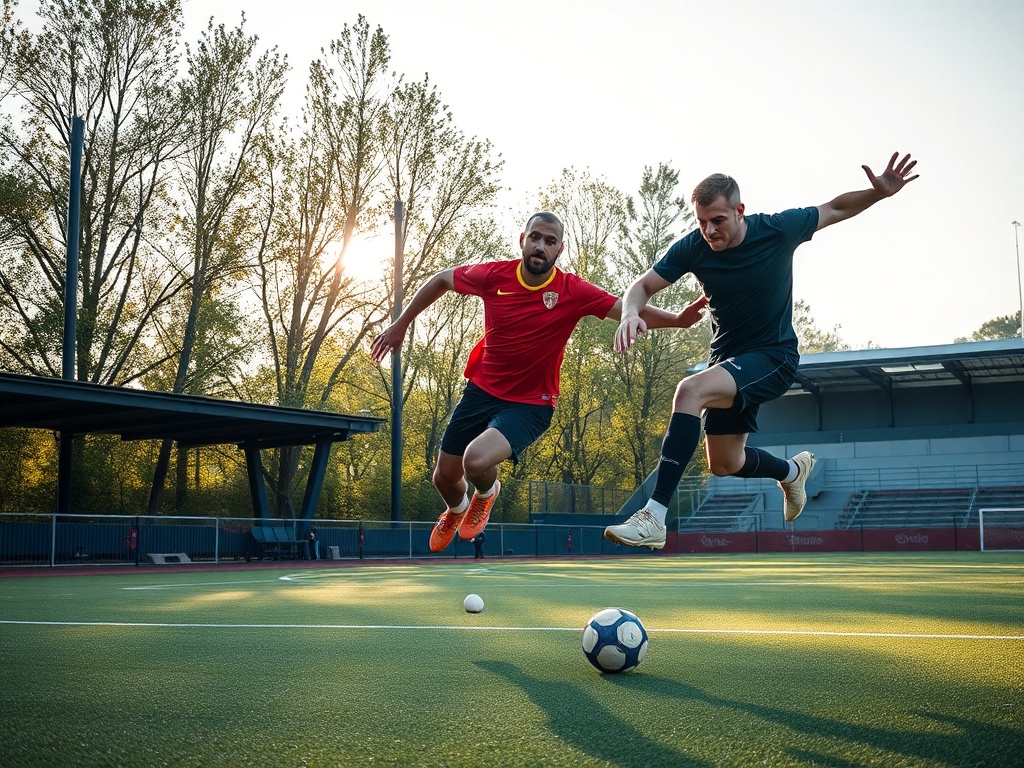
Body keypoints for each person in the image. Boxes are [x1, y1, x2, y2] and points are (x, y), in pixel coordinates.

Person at [605, 152, 919, 550]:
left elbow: (836, 207)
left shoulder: (778, 229)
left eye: (717, 220)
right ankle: (791, 472)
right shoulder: (693, 247)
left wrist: (879, 194)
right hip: (728, 362)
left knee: (689, 391)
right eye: (701, 222)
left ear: (740, 211)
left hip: (773, 357)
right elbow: (642, 286)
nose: (709, 231)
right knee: (724, 464)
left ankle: (654, 515)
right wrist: (631, 312)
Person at [371, 211, 708, 553]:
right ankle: (457, 509)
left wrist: (677, 321)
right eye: (535, 238)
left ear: (560, 248)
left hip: (531, 404)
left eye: (549, 242)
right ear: (523, 239)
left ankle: (486, 494)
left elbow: (626, 310)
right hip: (481, 389)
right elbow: (442, 279)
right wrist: (401, 324)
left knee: (475, 461)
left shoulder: (571, 290)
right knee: (443, 477)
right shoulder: (493, 276)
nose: (540, 247)